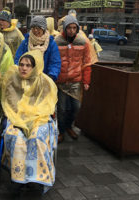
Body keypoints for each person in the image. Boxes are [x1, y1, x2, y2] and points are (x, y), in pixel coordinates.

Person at [1, 50, 58, 193]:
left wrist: (33, 119)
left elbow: (46, 105)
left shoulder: (45, 81)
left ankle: (37, 178)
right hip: (16, 118)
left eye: (28, 65)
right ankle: (18, 177)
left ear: (35, 67)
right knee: (17, 138)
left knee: (37, 138)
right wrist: (21, 120)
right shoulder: (12, 80)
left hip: (40, 118)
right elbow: (11, 103)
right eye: (21, 64)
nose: (24, 68)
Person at [54, 15, 98, 143]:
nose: (72, 30)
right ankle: (61, 131)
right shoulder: (57, 41)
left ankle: (69, 126)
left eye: (74, 28)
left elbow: (87, 63)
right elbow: (53, 61)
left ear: (77, 28)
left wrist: (86, 81)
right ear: (65, 28)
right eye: (69, 28)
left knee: (76, 107)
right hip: (61, 81)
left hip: (76, 81)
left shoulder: (83, 42)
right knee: (61, 109)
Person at [14, 16, 61, 81]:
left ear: (44, 29)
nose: (35, 30)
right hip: (26, 79)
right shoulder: (25, 42)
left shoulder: (51, 44)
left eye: (38, 28)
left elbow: (55, 63)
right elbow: (17, 59)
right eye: (33, 28)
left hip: (44, 79)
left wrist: (51, 76)